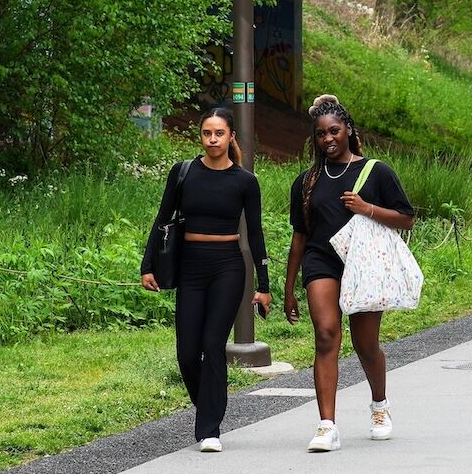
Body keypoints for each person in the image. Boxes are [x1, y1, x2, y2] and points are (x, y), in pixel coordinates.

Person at [285, 94, 416, 451]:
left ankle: (379, 405)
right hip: (321, 262)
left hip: (364, 264)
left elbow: (406, 219)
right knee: (326, 335)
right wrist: (289, 287)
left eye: (334, 131)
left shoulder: (376, 171)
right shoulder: (306, 182)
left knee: (365, 343)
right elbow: (300, 236)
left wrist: (367, 207)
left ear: (348, 131)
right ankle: (327, 425)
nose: (328, 139)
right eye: (321, 134)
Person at [141, 107, 271, 453]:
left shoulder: (245, 181)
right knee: (186, 351)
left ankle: (209, 428)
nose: (212, 140)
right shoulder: (183, 173)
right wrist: (147, 265)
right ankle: (211, 406)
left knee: (213, 344)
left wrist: (264, 285)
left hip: (228, 267)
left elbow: (255, 234)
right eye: (206, 133)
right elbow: (162, 219)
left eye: (219, 134)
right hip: (191, 267)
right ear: (201, 136)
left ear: (231, 137)